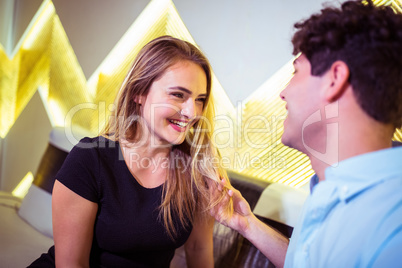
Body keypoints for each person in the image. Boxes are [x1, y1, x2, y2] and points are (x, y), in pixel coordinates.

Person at [211, 1, 402, 267]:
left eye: (296, 71)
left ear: (334, 79)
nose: (283, 92)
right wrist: (247, 225)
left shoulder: (392, 229)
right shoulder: (330, 183)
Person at [29, 35, 232, 268]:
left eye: (200, 99)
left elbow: (199, 248)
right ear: (139, 93)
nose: (191, 111)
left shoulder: (198, 167)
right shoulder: (90, 160)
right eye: (178, 95)